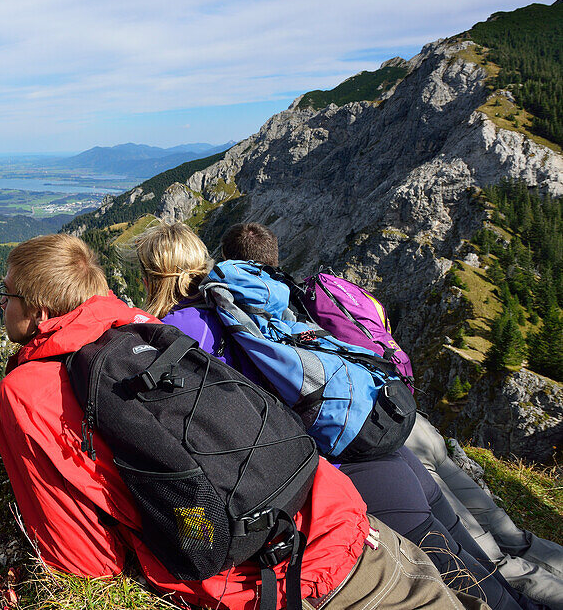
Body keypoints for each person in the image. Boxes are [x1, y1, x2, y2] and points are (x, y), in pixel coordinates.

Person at [0, 232, 486, 610]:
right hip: (351, 523)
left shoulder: (26, 393)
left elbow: (82, 559)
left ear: (36, 312)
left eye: (6, 295)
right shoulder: (154, 332)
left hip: (299, 586)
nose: (2, 304)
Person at [134, 221, 529, 610]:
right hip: (379, 442)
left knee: (463, 585)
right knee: (481, 571)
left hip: (351, 472)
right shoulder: (250, 298)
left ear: (152, 277)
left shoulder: (178, 333)